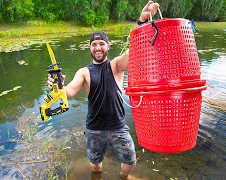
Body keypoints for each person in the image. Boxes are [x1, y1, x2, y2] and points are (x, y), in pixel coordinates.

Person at [47, 1, 160, 179]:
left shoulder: (116, 65)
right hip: (94, 128)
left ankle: (124, 176)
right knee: (95, 165)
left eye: (101, 43)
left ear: (108, 46)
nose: (98, 47)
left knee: (130, 161)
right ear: (89, 48)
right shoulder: (83, 72)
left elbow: (136, 50)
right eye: (94, 44)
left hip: (118, 126)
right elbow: (68, 93)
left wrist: (142, 20)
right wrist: (57, 85)